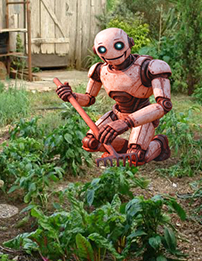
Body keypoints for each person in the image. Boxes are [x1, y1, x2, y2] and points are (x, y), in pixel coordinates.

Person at [55, 27, 172, 166]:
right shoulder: (100, 70)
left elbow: (163, 106)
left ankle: (159, 144)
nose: (113, 53)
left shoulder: (149, 67)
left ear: (129, 43)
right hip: (117, 113)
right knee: (91, 142)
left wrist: (125, 123)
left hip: (142, 115)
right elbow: (89, 99)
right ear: (96, 51)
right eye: (103, 49)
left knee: (137, 157)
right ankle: (124, 150)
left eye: (118, 45)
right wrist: (71, 95)